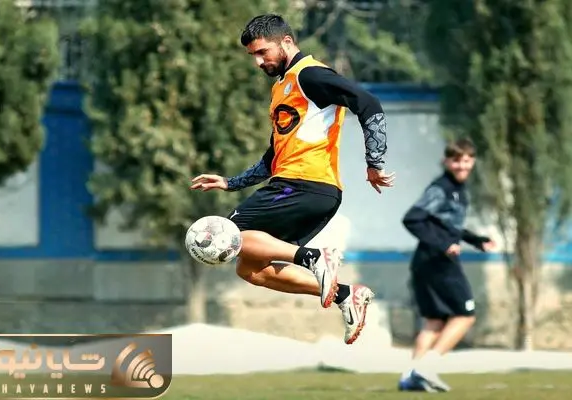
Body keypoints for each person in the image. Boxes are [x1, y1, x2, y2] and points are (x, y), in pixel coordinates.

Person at [190, 14, 395, 345]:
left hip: (303, 183)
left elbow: (368, 103)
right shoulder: (281, 88)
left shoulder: (309, 75)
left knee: (230, 233)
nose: (258, 62)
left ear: (286, 42)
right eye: (253, 56)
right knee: (250, 269)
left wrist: (375, 161)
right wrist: (230, 182)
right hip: (304, 188)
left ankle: (313, 257)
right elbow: (272, 157)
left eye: (262, 52)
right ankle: (345, 295)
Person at [399, 138, 496, 391]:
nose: (462, 165)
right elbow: (412, 219)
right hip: (438, 262)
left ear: (472, 161)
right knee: (465, 316)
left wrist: (476, 240)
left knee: (434, 321)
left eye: (466, 160)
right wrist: (443, 244)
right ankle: (426, 369)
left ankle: (409, 378)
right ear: (446, 161)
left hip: (427, 260)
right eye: (456, 160)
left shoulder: (458, 189)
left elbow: (447, 226)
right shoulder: (441, 188)